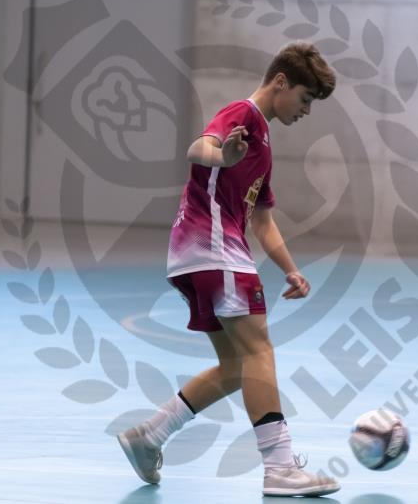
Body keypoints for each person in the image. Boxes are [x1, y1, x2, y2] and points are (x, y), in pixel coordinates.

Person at [117, 41, 339, 497]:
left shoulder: (264, 144)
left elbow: (262, 221)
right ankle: (280, 468)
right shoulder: (243, 115)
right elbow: (197, 148)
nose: (306, 111)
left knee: (238, 365)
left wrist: (291, 270)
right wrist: (223, 157)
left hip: (196, 253)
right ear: (281, 82)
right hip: (214, 247)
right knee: (259, 353)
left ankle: (150, 436)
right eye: (305, 99)